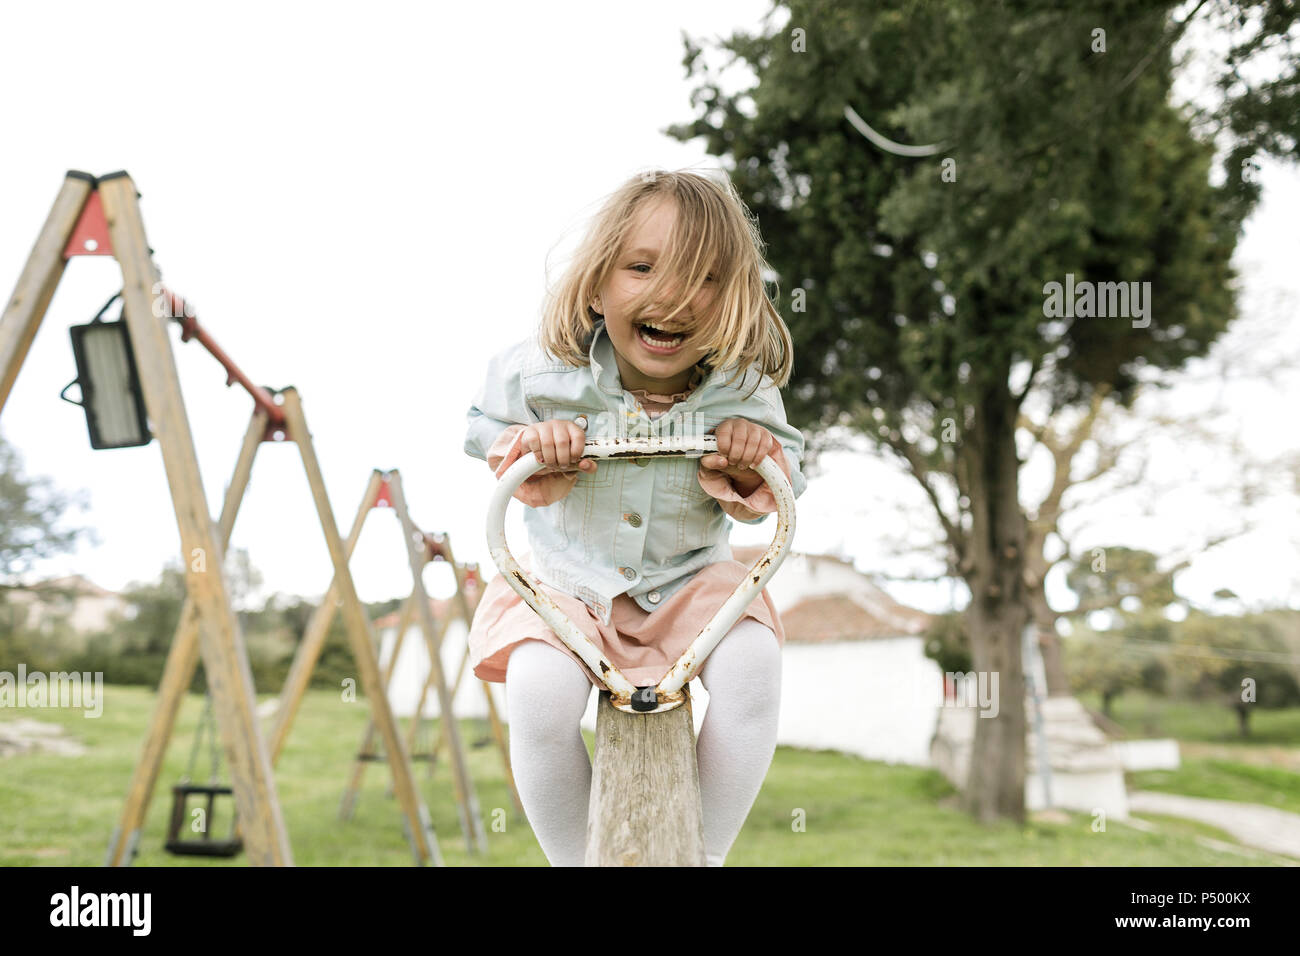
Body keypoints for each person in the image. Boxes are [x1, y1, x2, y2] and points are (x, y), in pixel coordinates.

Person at [463, 168, 806, 866]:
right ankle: (574, 859)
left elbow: (780, 476)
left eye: (704, 278)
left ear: (735, 296)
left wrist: (748, 462)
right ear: (596, 284)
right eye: (642, 268)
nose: (672, 297)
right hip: (568, 584)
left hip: (691, 582)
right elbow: (485, 431)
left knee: (753, 666)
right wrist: (534, 450)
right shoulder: (543, 374)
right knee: (539, 693)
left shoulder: (743, 388)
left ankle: (702, 852)